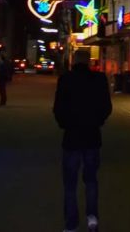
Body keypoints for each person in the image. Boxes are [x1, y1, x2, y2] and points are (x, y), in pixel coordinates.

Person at [53, 49, 112, 232]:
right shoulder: (99, 79)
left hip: (72, 137)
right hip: (92, 137)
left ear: (74, 61)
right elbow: (106, 107)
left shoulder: (66, 79)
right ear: (89, 62)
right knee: (91, 180)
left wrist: (65, 124)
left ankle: (71, 223)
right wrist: (97, 121)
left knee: (70, 183)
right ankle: (92, 218)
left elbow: (58, 108)